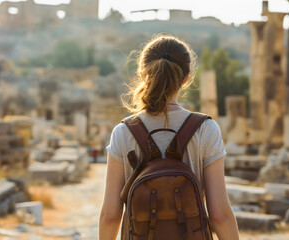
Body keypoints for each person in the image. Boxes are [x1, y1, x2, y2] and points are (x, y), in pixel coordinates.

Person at [98, 34, 239, 239]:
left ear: (142, 73)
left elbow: (110, 216)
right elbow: (219, 215)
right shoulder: (206, 129)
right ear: (186, 78)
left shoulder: (123, 132)